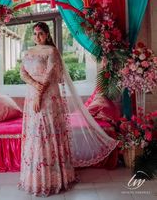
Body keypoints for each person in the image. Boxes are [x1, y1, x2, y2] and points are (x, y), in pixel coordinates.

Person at [18, 22, 118, 197]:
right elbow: (22, 73)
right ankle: (36, 178)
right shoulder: (28, 52)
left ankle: (54, 178)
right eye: (34, 34)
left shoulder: (52, 51)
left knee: (47, 131)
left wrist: (39, 97)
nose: (37, 37)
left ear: (47, 34)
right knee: (35, 134)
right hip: (32, 95)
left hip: (47, 96)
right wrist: (34, 88)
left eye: (40, 33)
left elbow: (49, 76)